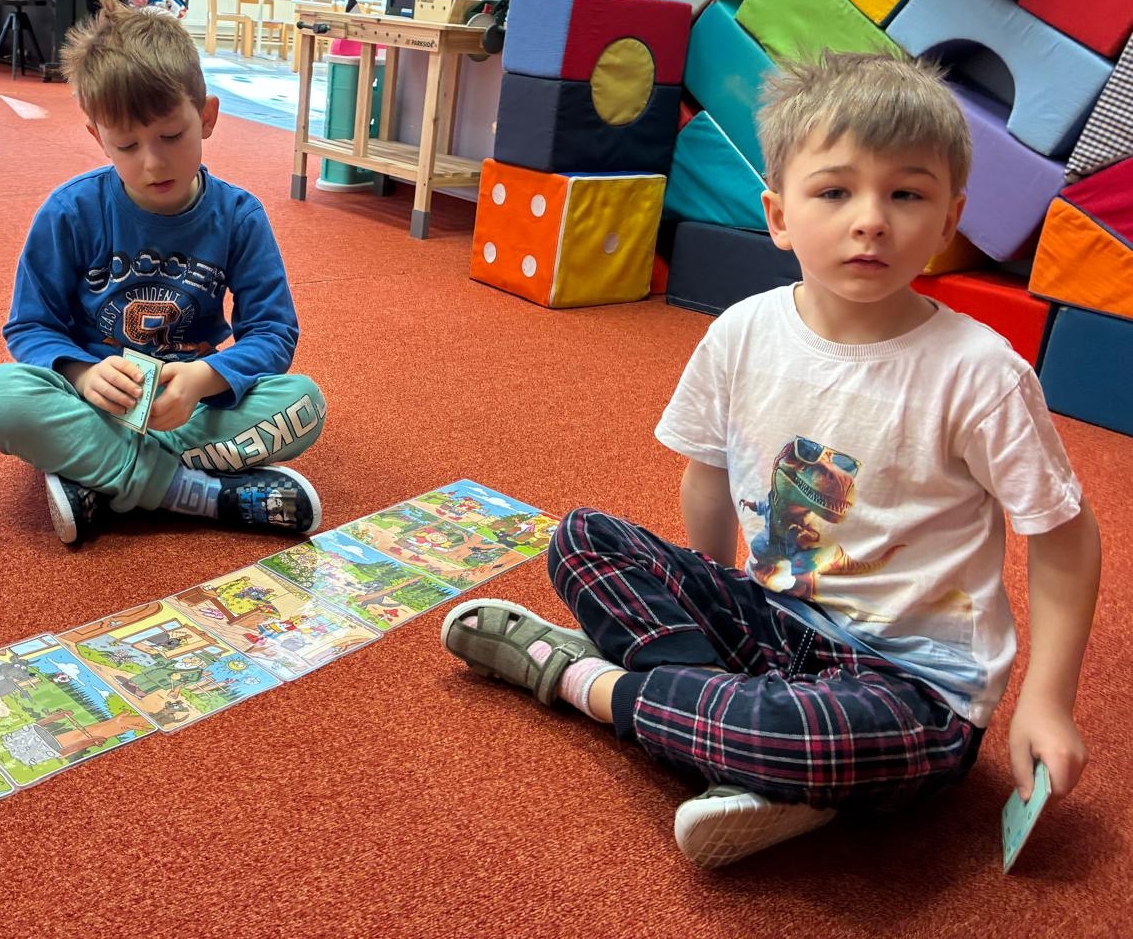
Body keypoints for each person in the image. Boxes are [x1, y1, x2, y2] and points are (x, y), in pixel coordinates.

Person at [440, 52, 1100, 869]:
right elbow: (708, 477)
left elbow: (1065, 537)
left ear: (948, 220)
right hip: (775, 622)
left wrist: (1048, 699)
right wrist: (712, 602)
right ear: (779, 216)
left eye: (907, 194)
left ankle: (586, 683)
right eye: (835, 192)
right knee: (581, 539)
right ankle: (736, 739)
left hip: (911, 686)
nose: (871, 220)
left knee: (816, 739)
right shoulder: (742, 332)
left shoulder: (982, 375)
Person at [0, 0, 326, 545]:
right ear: (98, 138)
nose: (153, 163)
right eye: (127, 146)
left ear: (207, 117)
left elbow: (273, 333)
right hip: (95, 405)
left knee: (304, 403)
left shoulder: (239, 216)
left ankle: (101, 475)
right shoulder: (70, 211)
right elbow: (30, 326)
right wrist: (83, 375)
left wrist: (204, 379)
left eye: (171, 136)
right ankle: (191, 491)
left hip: (188, 407)